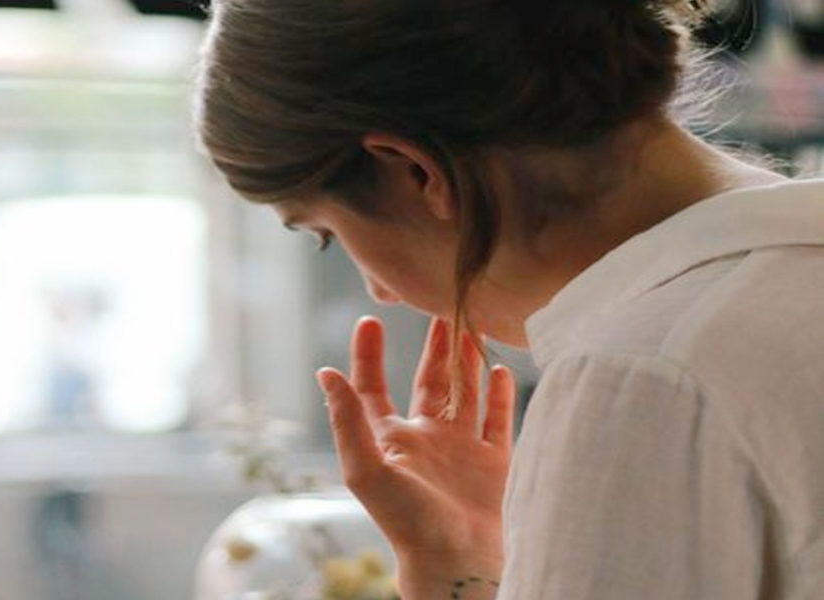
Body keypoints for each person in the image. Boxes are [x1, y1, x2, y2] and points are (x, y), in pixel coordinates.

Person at [193, 1, 824, 599]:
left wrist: (450, 570)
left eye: (327, 234)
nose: (380, 292)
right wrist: (463, 558)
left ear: (414, 171)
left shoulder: (644, 379)